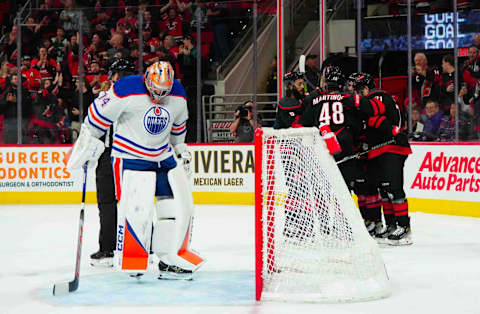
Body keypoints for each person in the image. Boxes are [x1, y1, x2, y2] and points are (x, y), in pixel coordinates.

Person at [67, 61, 204, 279]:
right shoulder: (126, 87)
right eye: (155, 90)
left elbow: (179, 125)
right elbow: (96, 116)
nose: (158, 95)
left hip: (162, 155)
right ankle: (132, 256)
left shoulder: (178, 92)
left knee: (172, 208)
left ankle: (168, 258)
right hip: (130, 156)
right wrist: (88, 141)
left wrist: (180, 148)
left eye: (163, 92)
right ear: (147, 80)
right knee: (137, 208)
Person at [352, 73, 413, 245]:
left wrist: (390, 131)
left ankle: (404, 227)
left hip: (392, 147)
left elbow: (379, 120)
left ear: (365, 88)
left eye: (359, 91)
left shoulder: (376, 96)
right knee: (384, 190)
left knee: (394, 189)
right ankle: (392, 225)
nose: (358, 95)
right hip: (380, 149)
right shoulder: (380, 96)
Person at [89, 59, 135, 267]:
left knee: (107, 203)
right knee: (135, 202)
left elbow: (90, 128)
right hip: (133, 156)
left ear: (115, 76)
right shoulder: (140, 100)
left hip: (109, 157)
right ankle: (143, 246)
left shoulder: (104, 98)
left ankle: (108, 248)